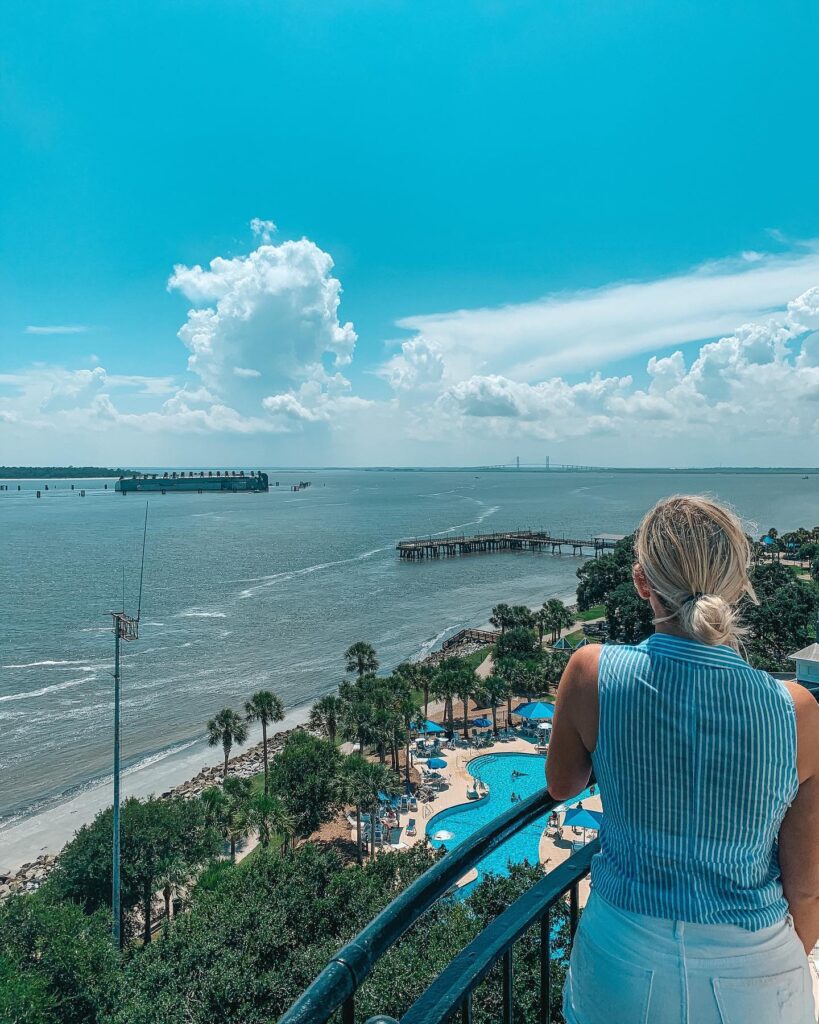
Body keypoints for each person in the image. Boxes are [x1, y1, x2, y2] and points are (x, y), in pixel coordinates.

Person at [547, 495, 819, 1024]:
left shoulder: (591, 672)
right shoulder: (797, 711)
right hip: (756, 972)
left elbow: (561, 785)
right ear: (739, 585)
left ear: (641, 582)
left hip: (620, 959)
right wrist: (779, 962)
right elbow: (806, 885)